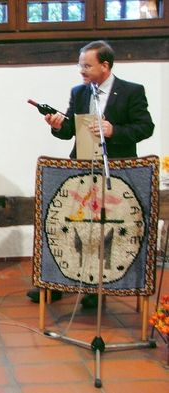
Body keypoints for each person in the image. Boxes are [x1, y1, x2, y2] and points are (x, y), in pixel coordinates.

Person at [27, 40, 154, 307]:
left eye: (87, 65)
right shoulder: (80, 91)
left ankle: (97, 290)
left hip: (115, 173)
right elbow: (69, 130)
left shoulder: (131, 91)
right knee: (71, 228)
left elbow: (145, 127)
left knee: (103, 232)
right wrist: (56, 125)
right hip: (81, 171)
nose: (81, 71)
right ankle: (55, 284)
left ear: (105, 66)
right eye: (80, 65)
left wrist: (113, 131)